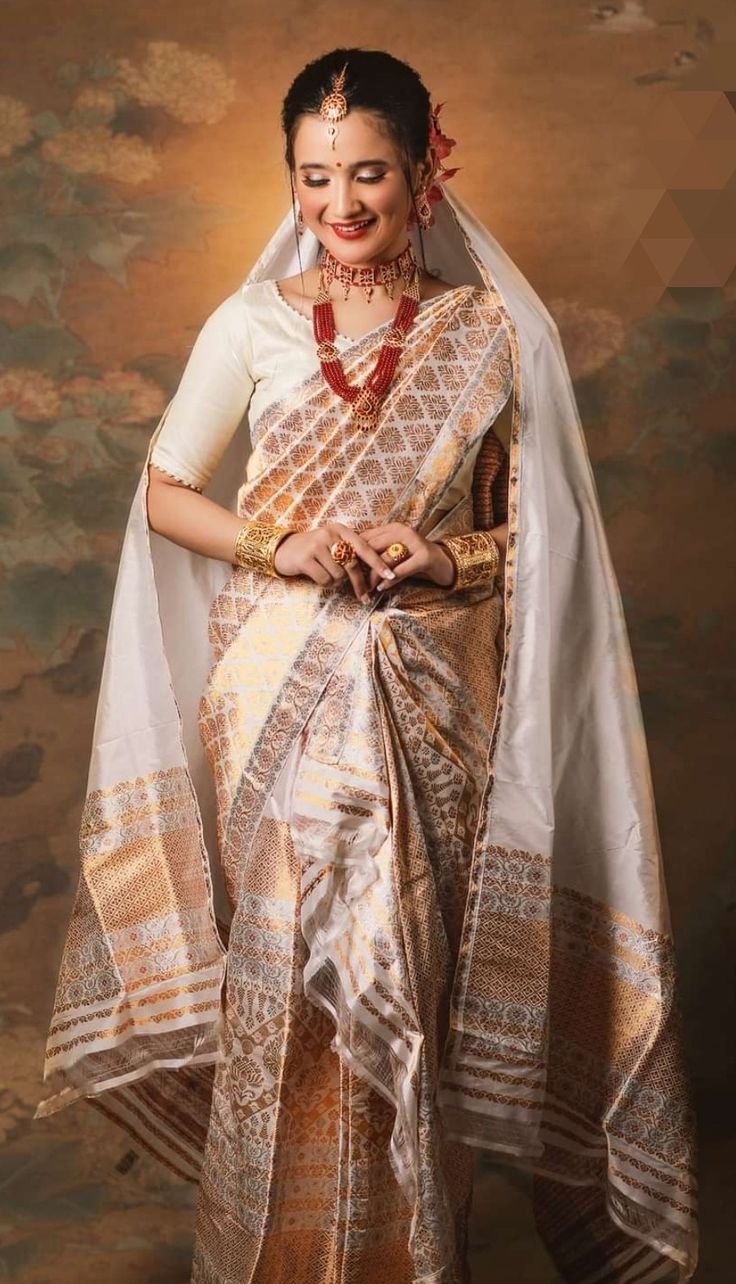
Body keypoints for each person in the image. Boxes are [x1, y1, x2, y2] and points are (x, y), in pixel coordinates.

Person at [34, 47, 698, 1284]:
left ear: (423, 176)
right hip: (279, 697)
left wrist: (438, 557)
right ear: (289, 181)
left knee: (417, 978)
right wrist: (282, 542)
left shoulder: (490, 335)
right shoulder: (251, 325)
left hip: (439, 703)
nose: (340, 205)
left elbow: (538, 549)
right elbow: (167, 494)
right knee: (289, 977)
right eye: (312, 176)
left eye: (368, 174)